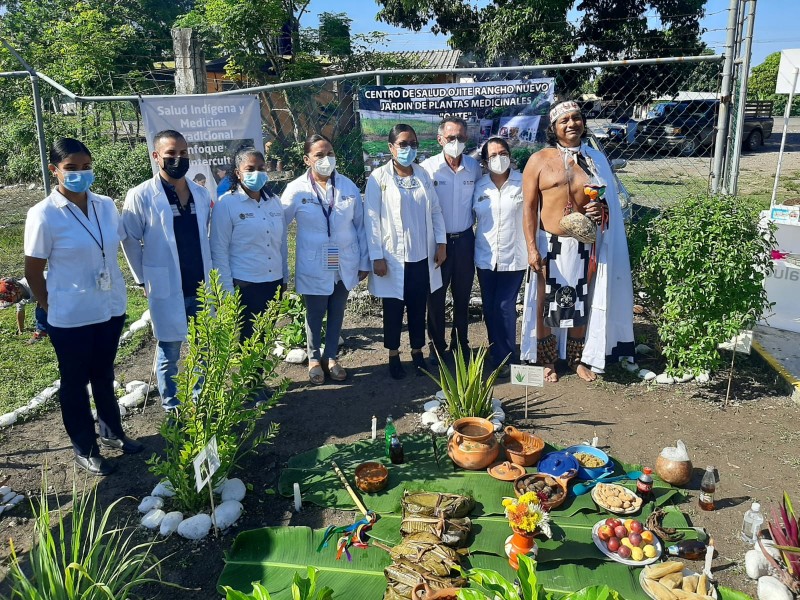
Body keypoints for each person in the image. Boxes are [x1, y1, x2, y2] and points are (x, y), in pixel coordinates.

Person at [24, 138, 143, 475]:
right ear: (54, 171)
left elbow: (117, 244)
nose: (80, 174)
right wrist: (49, 307)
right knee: (74, 383)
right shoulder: (43, 214)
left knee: (104, 374)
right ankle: (84, 447)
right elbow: (32, 271)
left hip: (109, 307)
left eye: (85, 167)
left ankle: (112, 432)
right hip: (70, 316)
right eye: (71, 169)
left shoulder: (105, 204)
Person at [520, 101, 634, 382]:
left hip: (584, 244)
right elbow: (528, 208)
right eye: (564, 121)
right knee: (546, 302)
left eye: (576, 118)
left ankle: (575, 359)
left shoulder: (594, 159)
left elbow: (608, 207)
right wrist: (532, 248)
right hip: (550, 243)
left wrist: (600, 210)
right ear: (554, 128)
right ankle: (547, 361)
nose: (572, 124)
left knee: (580, 301)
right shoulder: (539, 160)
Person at [121, 130, 213, 411]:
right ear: (156, 156)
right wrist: (142, 278)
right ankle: (172, 406)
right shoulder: (140, 195)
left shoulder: (200, 193)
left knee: (203, 348)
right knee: (169, 349)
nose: (178, 158)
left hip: (200, 282)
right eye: (171, 154)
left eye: (183, 153)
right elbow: (129, 238)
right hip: (165, 283)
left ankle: (201, 400)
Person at [282, 135, 369, 384]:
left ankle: (331, 357)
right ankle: (313, 358)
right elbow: (278, 225)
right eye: (319, 155)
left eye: (329, 153)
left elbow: (361, 226)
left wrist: (364, 261)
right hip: (313, 262)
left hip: (344, 260)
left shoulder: (348, 186)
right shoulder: (296, 189)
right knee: (315, 312)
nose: (326, 159)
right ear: (307, 159)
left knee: (338, 309)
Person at [365, 124, 447, 379]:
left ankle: (417, 352)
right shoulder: (378, 178)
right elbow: (372, 219)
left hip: (422, 255)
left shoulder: (422, 174)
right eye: (403, 144)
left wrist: (441, 243)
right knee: (393, 308)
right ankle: (393, 355)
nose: (408, 148)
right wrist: (376, 256)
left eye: (413, 143)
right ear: (391, 147)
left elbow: (435, 210)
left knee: (417, 306)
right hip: (392, 257)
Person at [211, 146, 288, 341]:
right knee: (248, 341)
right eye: (250, 169)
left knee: (264, 339)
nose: (257, 173)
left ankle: (259, 373)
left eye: (261, 168)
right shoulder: (227, 204)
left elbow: (282, 244)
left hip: (274, 283)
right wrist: (226, 291)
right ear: (238, 173)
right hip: (245, 286)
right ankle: (251, 374)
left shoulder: (274, 201)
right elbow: (219, 249)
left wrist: (284, 278)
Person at [421, 116, 482, 363]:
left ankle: (461, 343)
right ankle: (436, 345)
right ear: (440, 140)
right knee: (435, 295)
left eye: (461, 137)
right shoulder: (428, 168)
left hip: (465, 239)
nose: (456, 142)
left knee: (463, 294)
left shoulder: (474, 168)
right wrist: (437, 242)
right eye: (451, 138)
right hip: (437, 241)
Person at [472, 137, 526, 376]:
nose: (498, 158)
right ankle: (497, 351)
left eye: (502, 153)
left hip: (514, 255)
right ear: (485, 161)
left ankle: (507, 356)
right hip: (485, 257)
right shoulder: (479, 187)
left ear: (510, 155)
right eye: (492, 155)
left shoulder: (523, 182)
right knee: (490, 306)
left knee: (505, 305)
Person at [0, 275, 49, 342]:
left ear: (17, 291)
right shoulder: (19, 295)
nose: (11, 301)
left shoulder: (34, 284)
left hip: (61, 285)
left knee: (41, 307)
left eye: (10, 299)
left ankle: (42, 332)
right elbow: (20, 311)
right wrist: (21, 330)